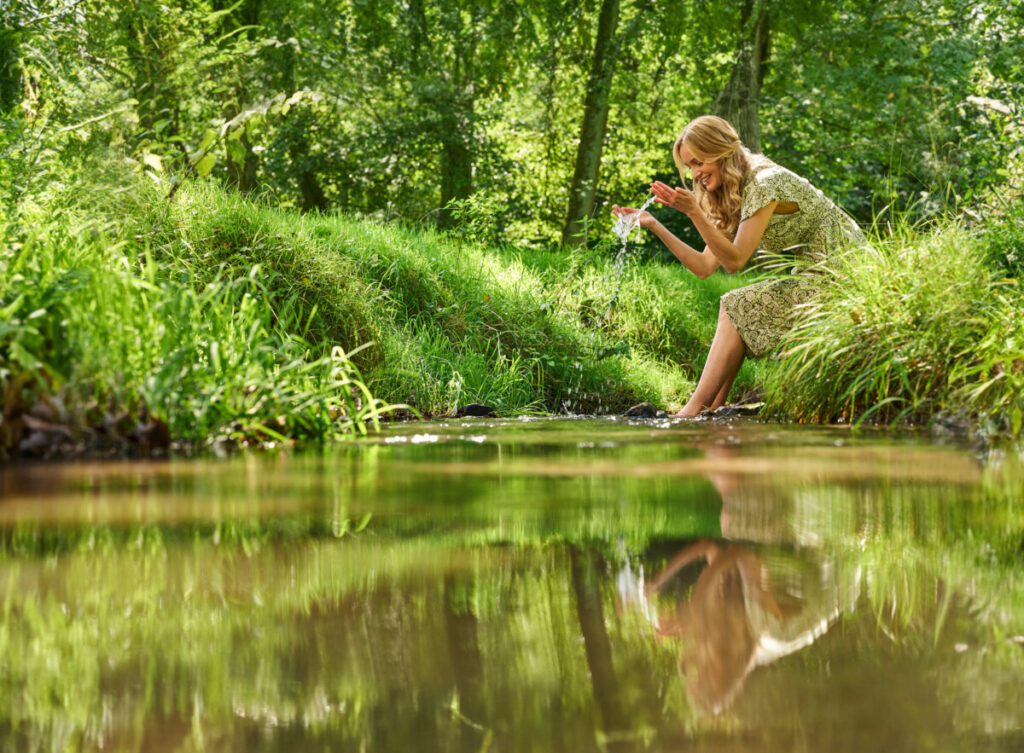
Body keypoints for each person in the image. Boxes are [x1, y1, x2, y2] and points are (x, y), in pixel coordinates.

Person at [612, 115, 864, 417]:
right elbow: (706, 266)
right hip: (814, 274)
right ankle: (711, 410)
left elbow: (734, 261)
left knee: (736, 305)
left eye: (698, 162)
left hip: (847, 275)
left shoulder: (765, 183)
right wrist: (654, 225)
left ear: (719, 151)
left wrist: (694, 212)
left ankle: (691, 412)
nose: (695, 174)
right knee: (735, 306)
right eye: (689, 166)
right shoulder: (732, 190)